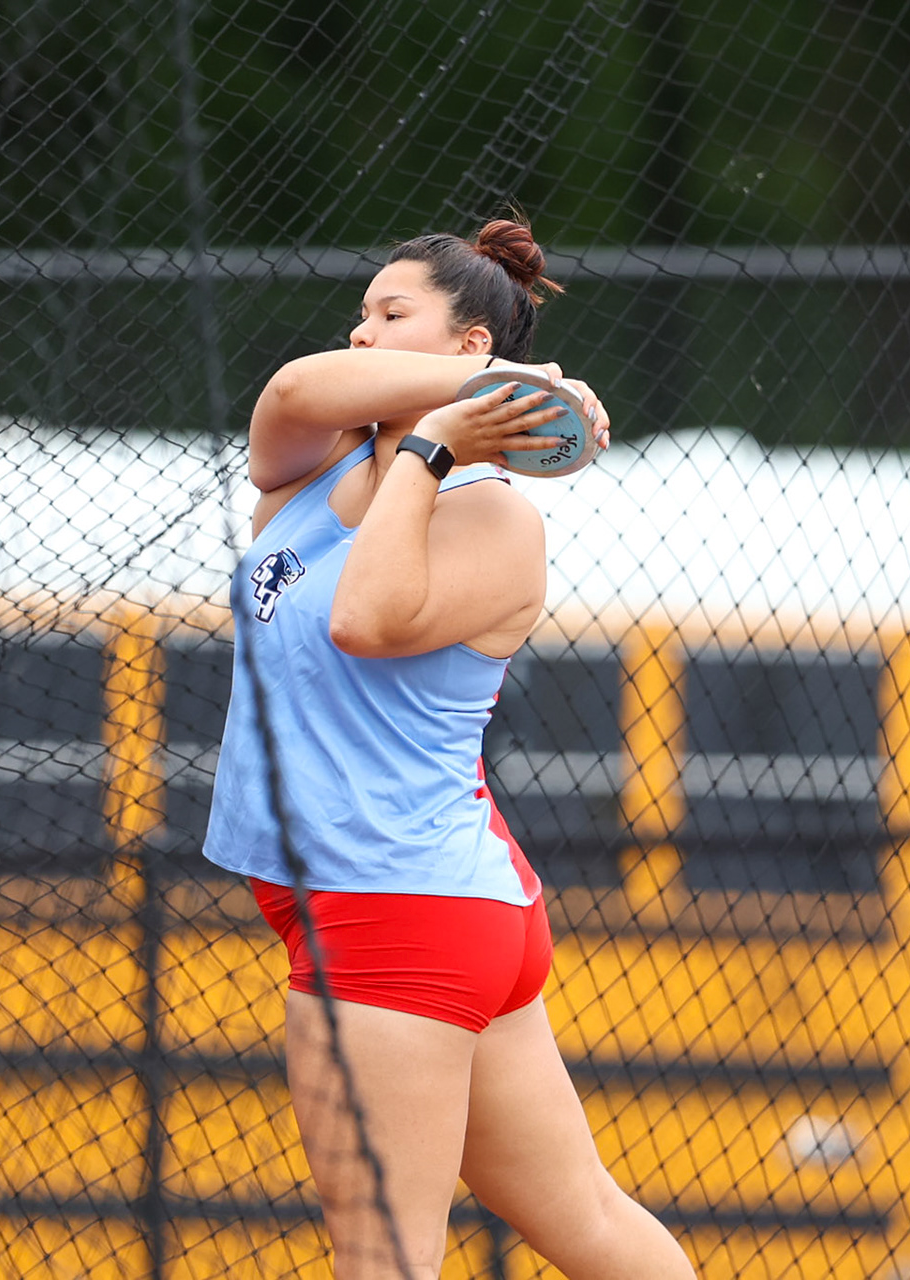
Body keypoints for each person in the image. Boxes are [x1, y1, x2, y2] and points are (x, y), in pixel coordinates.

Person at [202, 218, 697, 1280]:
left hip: (397, 905)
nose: (361, 333)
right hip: (402, 898)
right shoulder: (312, 467)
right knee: (584, 1222)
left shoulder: (494, 517)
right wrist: (511, 390)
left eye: (392, 314)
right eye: (361, 314)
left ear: (469, 346)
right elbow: (291, 389)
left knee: (386, 1256)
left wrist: (437, 442)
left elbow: (366, 619)